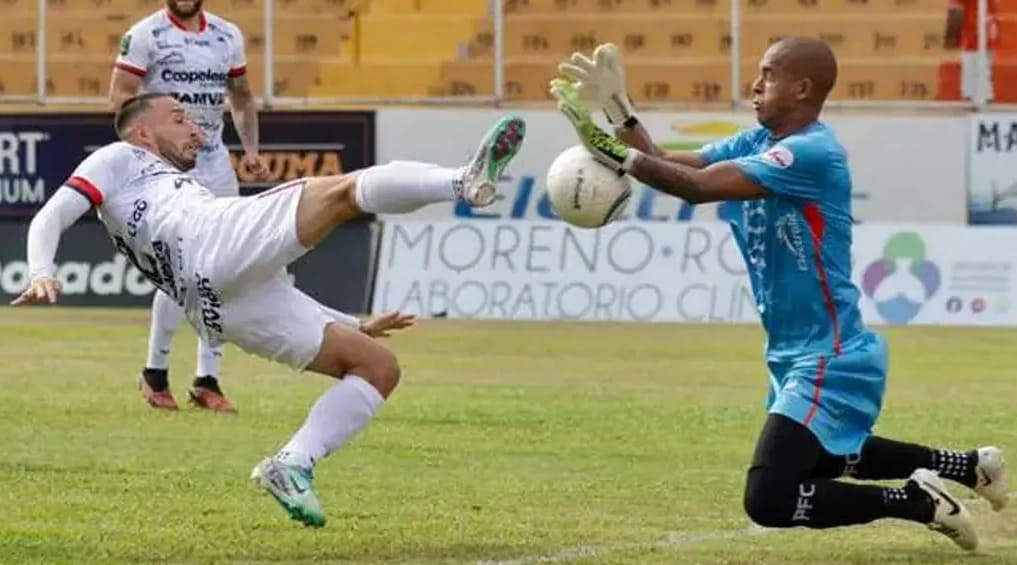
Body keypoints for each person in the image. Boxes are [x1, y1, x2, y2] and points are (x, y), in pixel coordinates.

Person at [550, 39, 1007, 551]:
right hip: (792, 350)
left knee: (769, 498)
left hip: (830, 355)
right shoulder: (756, 144)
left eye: (767, 74)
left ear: (803, 88)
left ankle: (917, 502)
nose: (755, 84)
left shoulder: (811, 153)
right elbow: (668, 165)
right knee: (834, 458)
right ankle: (970, 467)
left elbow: (696, 188)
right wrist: (619, 111)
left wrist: (608, 147)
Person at [11, 93, 526, 528]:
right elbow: (51, 215)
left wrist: (356, 324)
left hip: (215, 305)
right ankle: (463, 182)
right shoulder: (120, 157)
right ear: (142, 133)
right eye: (179, 120)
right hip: (210, 242)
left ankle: (291, 465)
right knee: (346, 190)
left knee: (377, 366)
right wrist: (40, 269)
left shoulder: (171, 183)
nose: (195, 130)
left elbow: (256, 280)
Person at [109, 0, 270, 412]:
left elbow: (243, 97)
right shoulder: (144, 34)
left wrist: (250, 149)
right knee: (180, 267)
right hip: (168, 166)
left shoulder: (227, 35)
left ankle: (207, 379)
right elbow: (122, 96)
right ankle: (155, 371)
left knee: (224, 267)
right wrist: (147, 149)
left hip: (215, 165)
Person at [945, 0, 999, 102]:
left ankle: (972, 96)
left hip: (973, 31)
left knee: (972, 66)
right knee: (983, 67)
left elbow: (955, 11)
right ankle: (983, 95)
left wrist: (951, 37)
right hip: (987, 28)